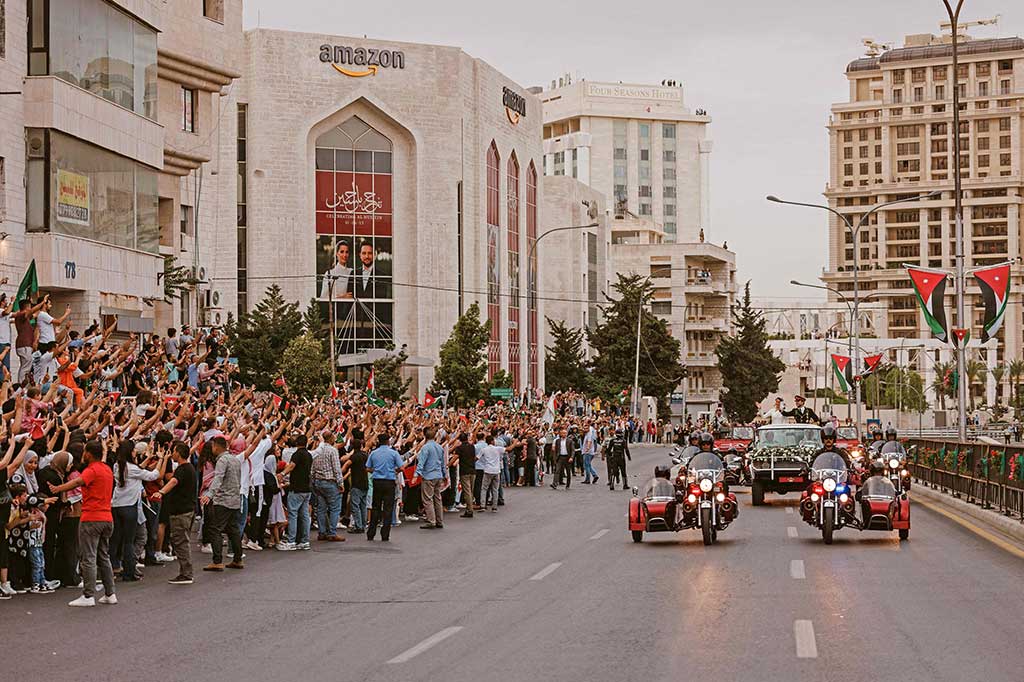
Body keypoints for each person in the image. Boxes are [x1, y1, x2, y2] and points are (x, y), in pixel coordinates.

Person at [49, 440, 117, 607]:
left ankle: (88, 595)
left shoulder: (91, 470)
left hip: (92, 517)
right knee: (103, 556)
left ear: (89, 454)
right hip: (107, 517)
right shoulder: (107, 469)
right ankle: (110, 593)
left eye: (85, 451)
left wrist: (58, 489)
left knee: (88, 557)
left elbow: (78, 482)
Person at [150, 441, 197, 585]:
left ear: (179, 453)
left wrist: (161, 492)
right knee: (182, 541)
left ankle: (186, 574)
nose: (172, 454)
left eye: (174, 451)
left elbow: (173, 481)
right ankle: (186, 572)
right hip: (186, 511)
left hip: (181, 512)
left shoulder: (182, 469)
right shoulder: (189, 468)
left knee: (181, 542)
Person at [201, 436, 244, 570]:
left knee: (215, 529)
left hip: (223, 500)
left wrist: (210, 494)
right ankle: (238, 559)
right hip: (235, 499)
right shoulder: (235, 460)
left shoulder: (222, 460)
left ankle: (217, 561)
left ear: (216, 446)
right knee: (233, 530)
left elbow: (218, 479)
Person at [365, 433, 404, 542]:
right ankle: (385, 534)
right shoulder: (393, 453)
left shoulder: (373, 453)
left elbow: (367, 468)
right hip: (389, 481)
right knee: (388, 508)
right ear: (388, 441)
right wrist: (395, 471)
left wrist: (375, 470)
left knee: (375, 507)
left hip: (377, 481)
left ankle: (371, 533)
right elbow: (402, 467)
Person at [279, 433, 313, 550]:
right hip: (306, 488)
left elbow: (292, 466)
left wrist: (282, 474)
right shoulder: (309, 455)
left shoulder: (297, 454)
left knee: (293, 514)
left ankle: (291, 540)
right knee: (304, 515)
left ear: (297, 443)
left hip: (297, 488)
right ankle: (305, 540)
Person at [310, 430, 345, 542]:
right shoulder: (332, 450)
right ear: (331, 438)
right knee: (335, 508)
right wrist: (340, 483)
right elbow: (336, 468)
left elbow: (313, 467)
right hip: (330, 482)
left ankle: (322, 532)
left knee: (321, 508)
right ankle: (332, 533)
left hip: (318, 481)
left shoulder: (318, 450)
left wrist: (313, 480)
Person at [415, 426, 448, 529]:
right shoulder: (439, 447)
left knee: (427, 499)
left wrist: (416, 474)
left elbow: (421, 462)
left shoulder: (425, 447)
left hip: (428, 475)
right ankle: (439, 520)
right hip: (438, 475)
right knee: (438, 498)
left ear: (425, 436)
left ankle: (431, 520)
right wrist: (444, 474)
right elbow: (443, 463)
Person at [477, 434, 505, 512]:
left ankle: (483, 505)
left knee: (484, 488)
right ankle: (494, 507)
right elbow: (509, 448)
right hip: (496, 471)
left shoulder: (484, 449)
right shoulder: (497, 449)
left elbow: (477, 458)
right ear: (492, 441)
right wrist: (515, 443)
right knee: (495, 489)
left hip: (487, 470)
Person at [454, 433, 477, 518]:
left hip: (464, 471)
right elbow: (474, 457)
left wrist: (448, 464)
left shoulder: (459, 448)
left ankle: (469, 510)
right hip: (472, 470)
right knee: (470, 490)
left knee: (467, 491)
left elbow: (455, 457)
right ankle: (469, 508)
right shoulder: (472, 446)